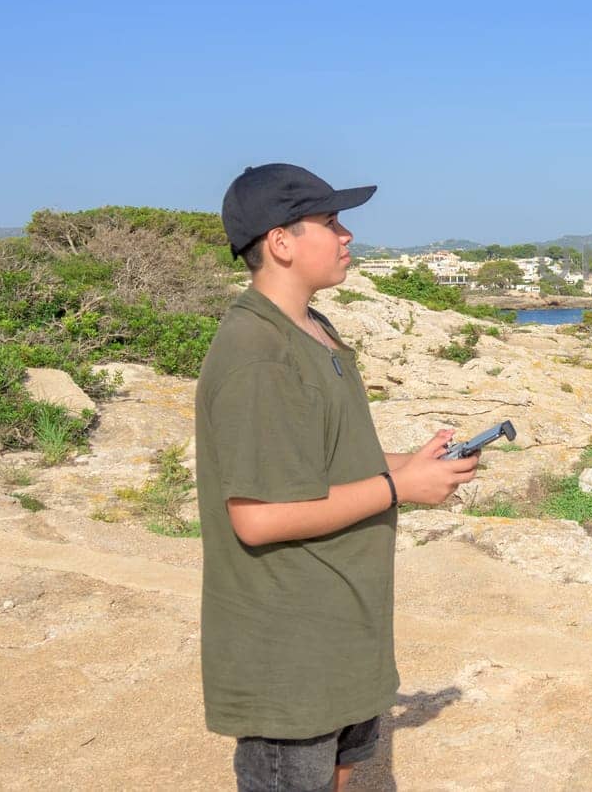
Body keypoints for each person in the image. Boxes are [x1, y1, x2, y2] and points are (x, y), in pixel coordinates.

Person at [195, 163, 480, 792]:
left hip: (343, 634)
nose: (347, 235)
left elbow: (322, 467)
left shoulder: (315, 329)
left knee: (344, 771)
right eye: (329, 222)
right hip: (290, 649)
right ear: (281, 242)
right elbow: (258, 516)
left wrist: (412, 463)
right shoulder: (257, 355)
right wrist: (401, 489)